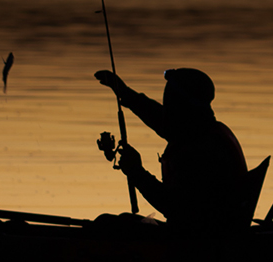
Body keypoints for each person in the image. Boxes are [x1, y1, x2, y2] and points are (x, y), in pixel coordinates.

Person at [94, 68, 252, 232]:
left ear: (180, 105)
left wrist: (136, 172)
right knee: (113, 221)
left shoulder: (200, 149)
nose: (166, 106)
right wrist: (125, 93)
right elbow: (161, 120)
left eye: (170, 101)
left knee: (105, 226)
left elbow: (174, 206)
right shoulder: (201, 129)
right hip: (203, 232)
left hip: (198, 239)